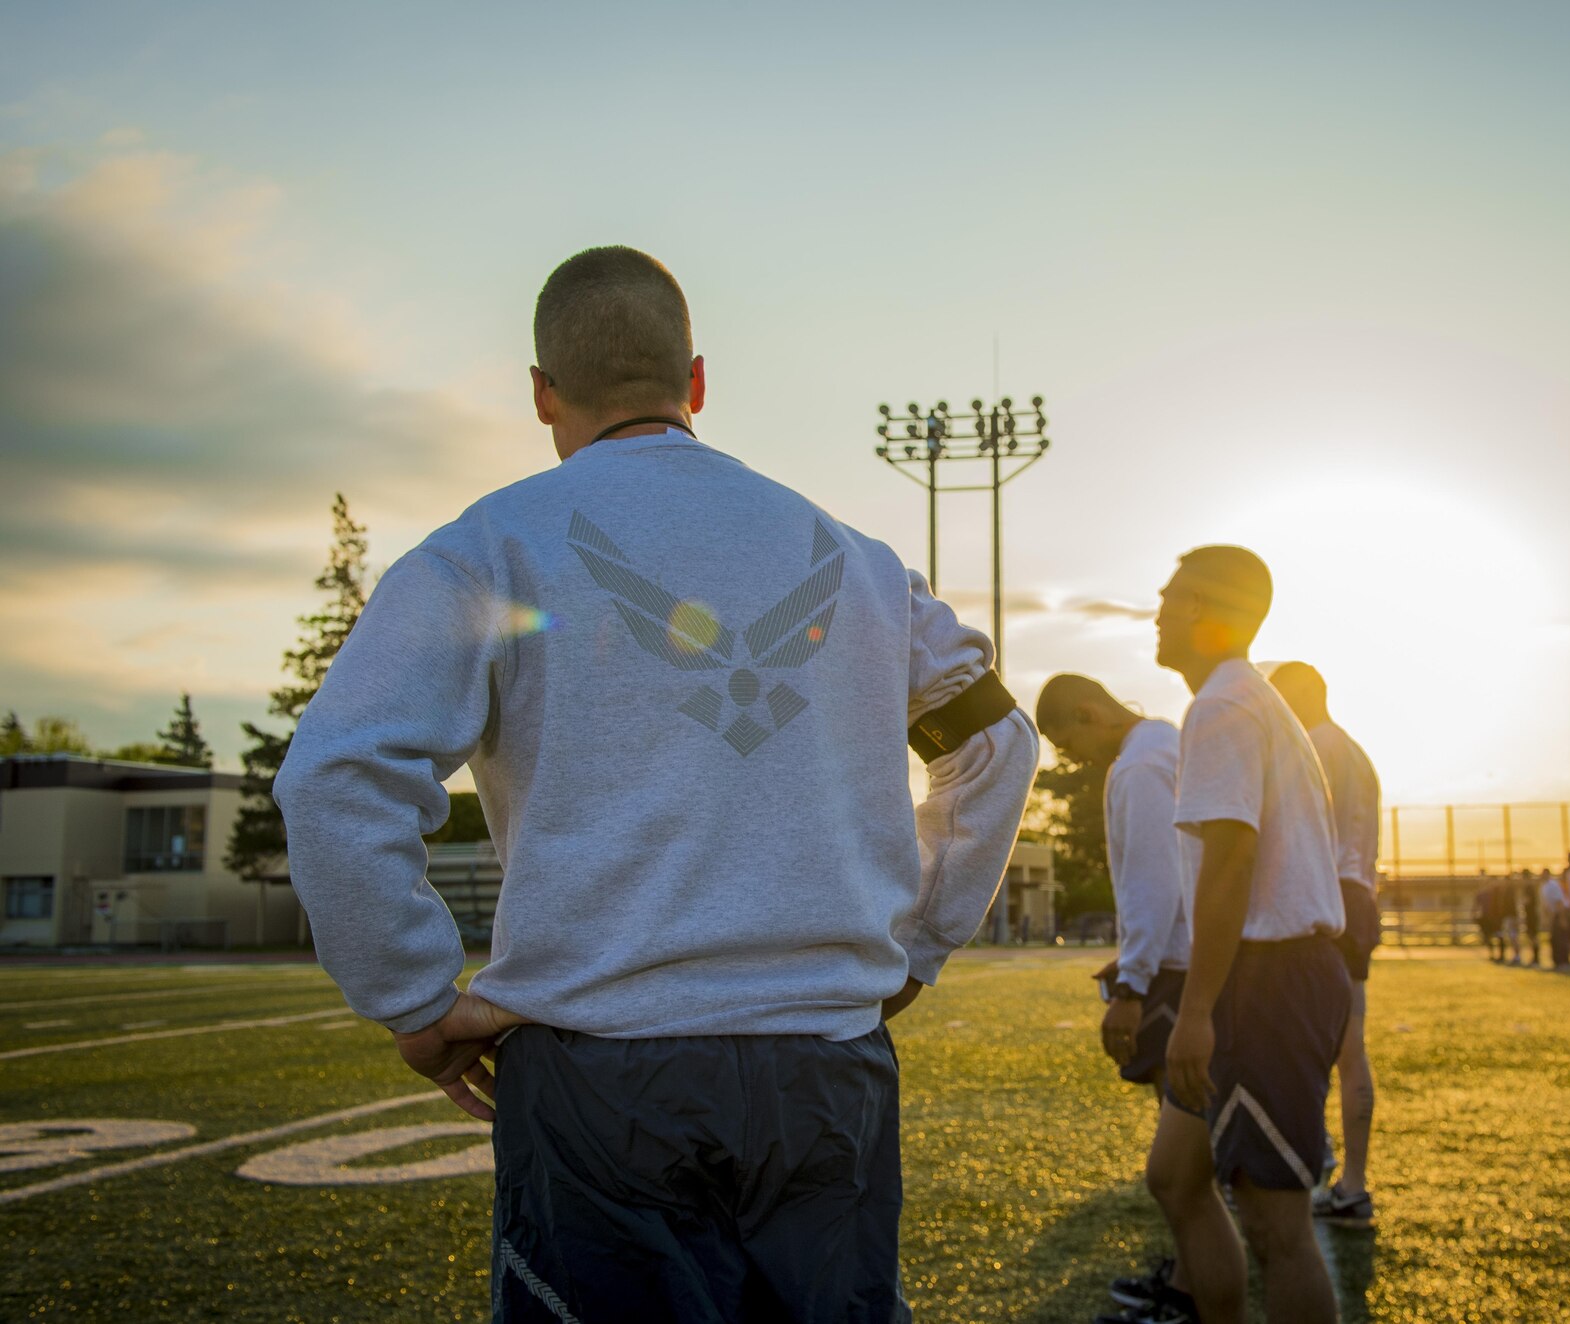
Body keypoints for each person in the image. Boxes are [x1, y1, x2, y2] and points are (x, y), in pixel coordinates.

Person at [274, 246, 1039, 1322]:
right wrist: (915, 940)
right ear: (697, 383)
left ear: (541, 393)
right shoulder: (859, 560)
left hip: (599, 1078)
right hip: (825, 1069)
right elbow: (995, 744)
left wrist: (409, 996)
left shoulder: (492, 545)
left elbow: (336, 775)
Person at [1154, 546, 1349, 1324]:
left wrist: (1197, 1010)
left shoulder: (1225, 705)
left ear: (1200, 607)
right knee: (1174, 1177)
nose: (1156, 613)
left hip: (1267, 982)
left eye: (1168, 597)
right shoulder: (1243, 698)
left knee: (1276, 1227)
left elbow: (1231, 860)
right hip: (1260, 976)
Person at [1034, 675, 1202, 1323]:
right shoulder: (1166, 741)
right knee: (1189, 1157)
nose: (1068, 757)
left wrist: (1133, 984)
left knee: (1180, 1167)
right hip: (1184, 956)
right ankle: (1188, 1278)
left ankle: (1189, 1295)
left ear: (1088, 711)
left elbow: (1155, 879)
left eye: (1065, 740)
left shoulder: (1136, 767)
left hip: (1175, 971)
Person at [1266, 660, 1384, 1229]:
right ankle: (1351, 1182)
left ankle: (1317, 1162)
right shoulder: (1355, 750)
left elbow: (1290, 830)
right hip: (1358, 897)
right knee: (1350, 1047)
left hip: (1326, 897)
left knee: (1302, 1041)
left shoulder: (1312, 744)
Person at [1539, 867, 1570, 969]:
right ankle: (1557, 962)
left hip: (1559, 913)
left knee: (1561, 939)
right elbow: (1546, 905)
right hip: (1553, 915)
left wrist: (1562, 918)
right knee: (1554, 939)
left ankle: (1564, 962)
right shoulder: (1544, 887)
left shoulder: (1553, 885)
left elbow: (1559, 902)